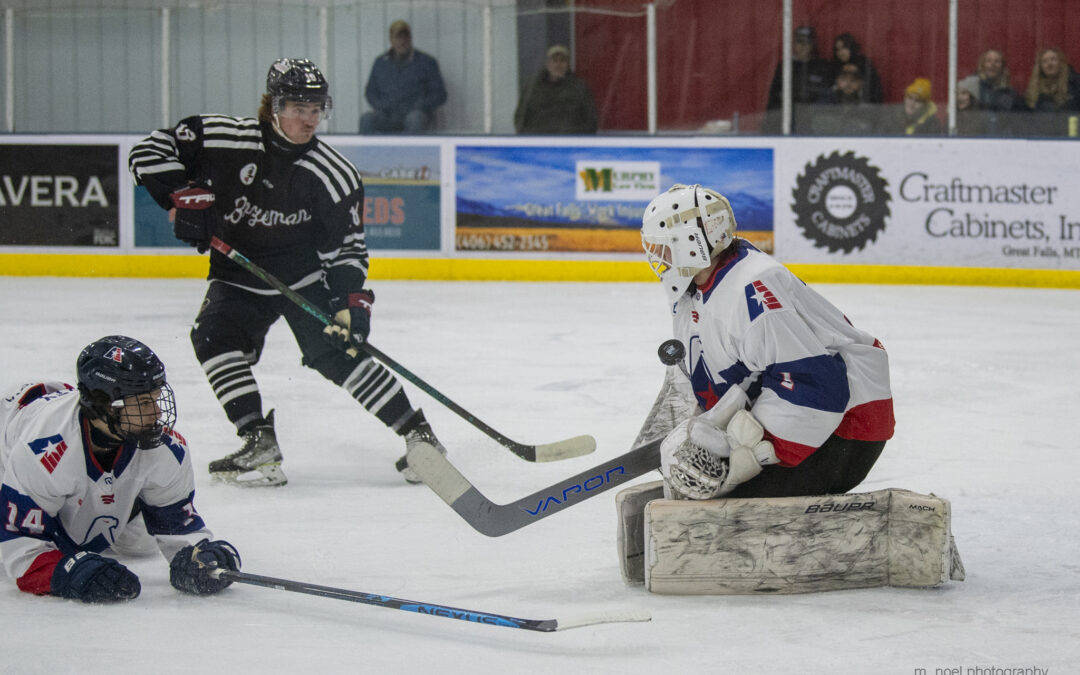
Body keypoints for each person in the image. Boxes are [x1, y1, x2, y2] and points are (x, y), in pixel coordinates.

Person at [128, 58, 446, 488]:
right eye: (298, 107)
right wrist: (179, 196)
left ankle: (418, 435)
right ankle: (257, 438)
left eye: (316, 108)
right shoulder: (224, 138)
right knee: (212, 337)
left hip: (302, 278)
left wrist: (351, 303)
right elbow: (147, 150)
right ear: (273, 105)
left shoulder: (333, 173)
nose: (309, 118)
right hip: (236, 274)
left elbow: (348, 247)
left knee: (337, 351)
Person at [638, 184, 894, 499]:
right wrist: (708, 422)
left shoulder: (751, 289)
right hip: (808, 421)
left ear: (691, 244)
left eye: (663, 247)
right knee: (690, 493)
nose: (657, 258)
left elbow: (815, 387)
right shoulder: (694, 293)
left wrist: (741, 453)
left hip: (845, 430)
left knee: (713, 504)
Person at [0, 336, 241, 602]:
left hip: (65, 469)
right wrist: (69, 574)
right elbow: (18, 546)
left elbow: (179, 529)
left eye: (156, 399)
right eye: (143, 404)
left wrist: (199, 555)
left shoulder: (165, 450)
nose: (158, 414)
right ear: (101, 405)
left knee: (139, 544)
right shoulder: (42, 450)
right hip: (8, 444)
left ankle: (115, 502)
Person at [360, 20, 448, 134]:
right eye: (398, 37)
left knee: (415, 119)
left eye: (405, 37)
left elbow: (439, 94)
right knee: (367, 119)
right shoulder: (380, 63)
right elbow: (370, 92)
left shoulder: (427, 62)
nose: (402, 42)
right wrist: (381, 106)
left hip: (414, 114)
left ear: (410, 39)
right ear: (391, 40)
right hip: (387, 114)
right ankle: (369, 152)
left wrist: (419, 106)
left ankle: (412, 152)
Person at [513, 44, 599, 134]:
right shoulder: (532, 88)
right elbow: (521, 116)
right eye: (555, 61)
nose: (558, 65)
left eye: (562, 61)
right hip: (539, 143)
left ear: (568, 65)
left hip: (569, 143)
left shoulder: (580, 88)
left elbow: (591, 120)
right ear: (548, 64)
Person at [763, 25, 832, 134]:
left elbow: (828, 95)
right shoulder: (786, 66)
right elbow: (774, 96)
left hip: (815, 120)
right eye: (800, 42)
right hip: (788, 118)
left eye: (807, 42)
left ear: (812, 45)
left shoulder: (822, 66)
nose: (803, 46)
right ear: (793, 44)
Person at [1022, 48, 1080, 136]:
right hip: (1042, 139)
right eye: (1045, 61)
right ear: (1040, 66)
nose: (1049, 64)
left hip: (1072, 139)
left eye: (1053, 59)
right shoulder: (1034, 92)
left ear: (1061, 63)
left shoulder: (1075, 85)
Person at [813, 62, 878, 135]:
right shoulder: (824, 103)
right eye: (844, 79)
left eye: (854, 80)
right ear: (837, 81)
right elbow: (819, 126)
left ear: (861, 84)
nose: (848, 84)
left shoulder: (868, 109)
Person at [970, 48, 1022, 134]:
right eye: (988, 61)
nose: (992, 65)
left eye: (997, 61)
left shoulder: (1011, 93)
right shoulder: (973, 88)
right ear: (983, 65)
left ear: (1002, 66)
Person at [829, 32, 884, 104]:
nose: (841, 52)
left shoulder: (863, 64)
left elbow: (875, 88)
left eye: (844, 48)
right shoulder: (834, 66)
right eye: (838, 49)